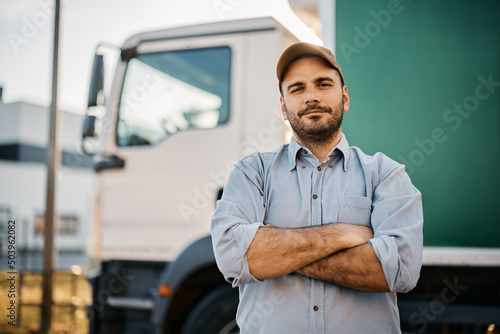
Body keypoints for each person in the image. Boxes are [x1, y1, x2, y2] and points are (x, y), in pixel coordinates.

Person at [211, 42, 423, 333]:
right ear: (283, 107)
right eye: (297, 89)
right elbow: (233, 258)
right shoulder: (251, 173)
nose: (311, 96)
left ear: (345, 97)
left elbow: (399, 271)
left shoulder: (386, 174)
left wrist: (276, 254)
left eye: (323, 84)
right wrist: (345, 234)